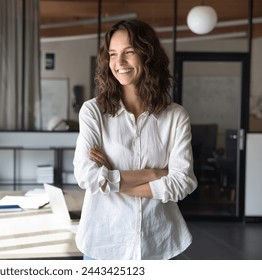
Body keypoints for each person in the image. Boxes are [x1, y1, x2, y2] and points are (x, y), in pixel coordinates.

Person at [73, 19, 198, 260]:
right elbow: (87, 176)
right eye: (112, 54)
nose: (118, 62)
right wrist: (155, 174)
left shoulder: (175, 116)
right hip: (104, 242)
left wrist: (112, 178)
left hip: (160, 243)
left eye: (128, 52)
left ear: (148, 56)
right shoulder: (93, 112)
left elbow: (183, 182)